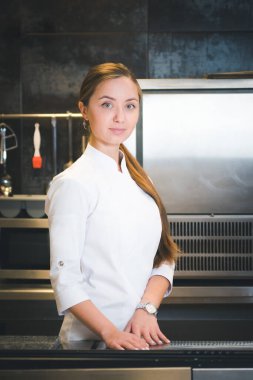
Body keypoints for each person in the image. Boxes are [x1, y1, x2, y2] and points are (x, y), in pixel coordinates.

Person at [45, 62, 179, 350]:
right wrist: (110, 332)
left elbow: (164, 256)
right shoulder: (73, 184)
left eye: (130, 106)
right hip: (91, 346)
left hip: (140, 339)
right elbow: (64, 279)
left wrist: (146, 309)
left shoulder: (140, 179)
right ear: (84, 109)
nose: (120, 117)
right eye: (107, 104)